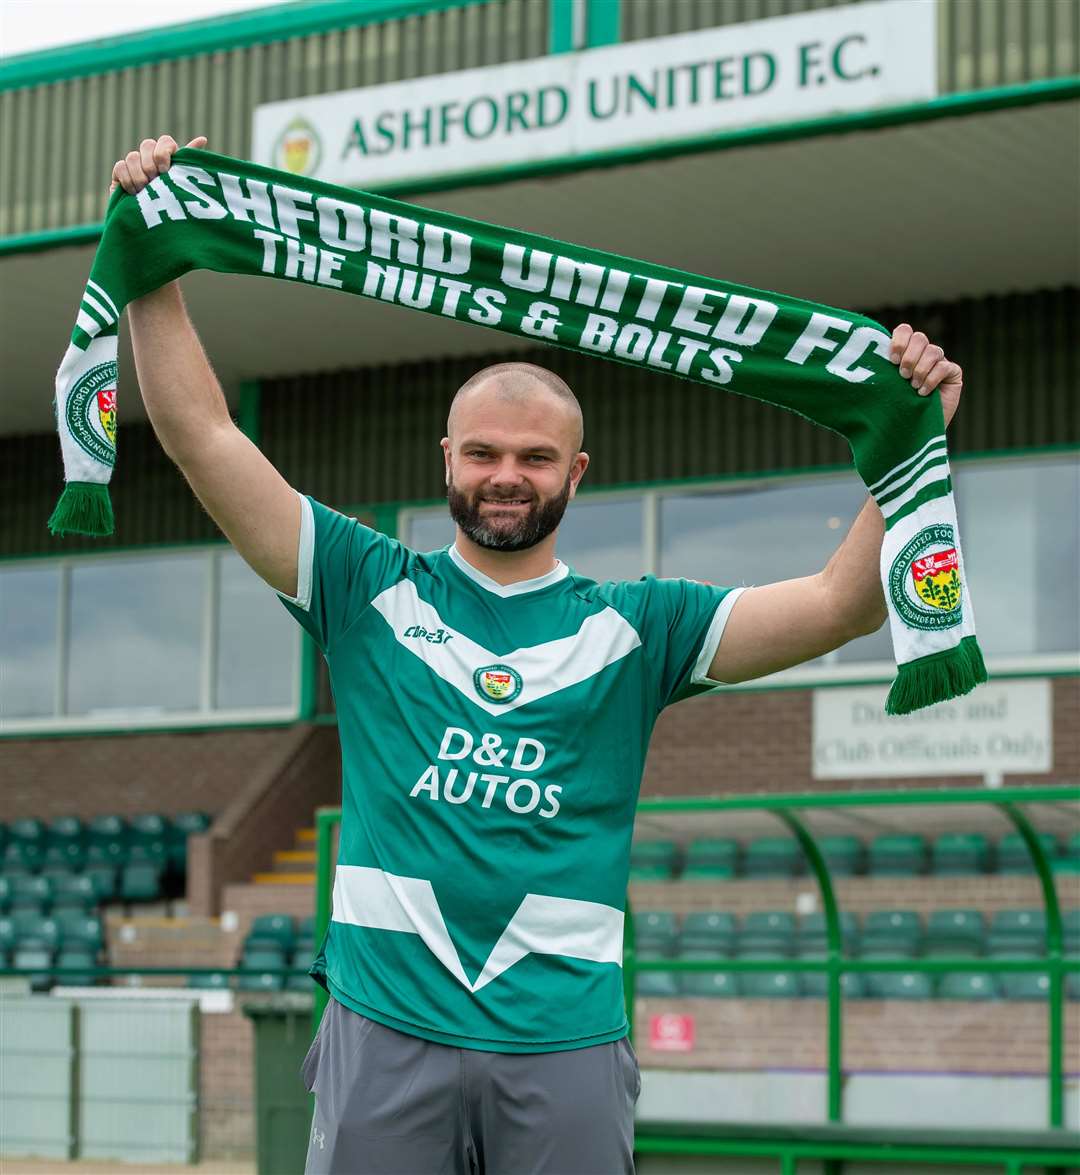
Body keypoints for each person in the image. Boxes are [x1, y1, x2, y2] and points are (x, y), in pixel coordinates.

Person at [112, 136, 963, 1175]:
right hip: (385, 1028)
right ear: (448, 459)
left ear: (577, 472)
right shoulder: (361, 583)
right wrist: (153, 254)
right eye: (483, 452)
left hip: (564, 1044)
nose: (505, 475)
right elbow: (202, 433)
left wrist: (911, 445)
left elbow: (839, 604)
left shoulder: (644, 624)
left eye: (533, 457)